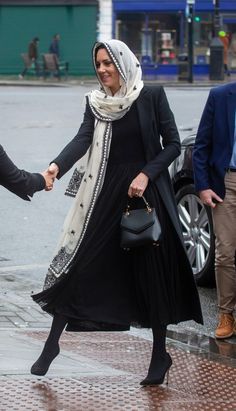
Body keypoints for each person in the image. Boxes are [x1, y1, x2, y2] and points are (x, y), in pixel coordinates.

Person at [30, 39, 203, 385]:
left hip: (145, 194)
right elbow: (82, 139)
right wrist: (54, 167)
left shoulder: (151, 95)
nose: (104, 69)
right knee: (80, 265)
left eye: (109, 62)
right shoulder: (96, 103)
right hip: (106, 195)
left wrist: (146, 174)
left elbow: (171, 143)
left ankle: (159, 355)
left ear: (122, 62)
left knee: (150, 276)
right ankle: (51, 345)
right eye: (99, 64)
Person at [193, 82, 236, 340]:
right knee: (225, 252)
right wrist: (203, 186)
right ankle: (226, 314)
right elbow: (202, 145)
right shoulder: (220, 96)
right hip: (226, 184)